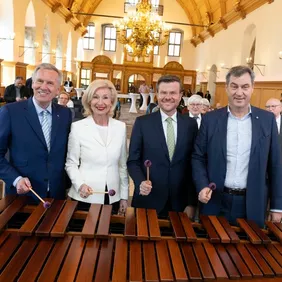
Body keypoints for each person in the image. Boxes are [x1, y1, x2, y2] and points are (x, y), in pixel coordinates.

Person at [192, 65, 282, 227]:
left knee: (250, 251)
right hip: (215, 199)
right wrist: (202, 185)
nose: (239, 92)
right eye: (234, 86)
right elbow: (198, 157)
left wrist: (277, 206)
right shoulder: (210, 120)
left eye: (245, 87)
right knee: (210, 249)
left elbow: (275, 164)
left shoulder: (267, 121)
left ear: (252, 88)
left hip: (253, 203)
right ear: (226, 88)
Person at [127, 75, 198, 218]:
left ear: (180, 96)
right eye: (163, 93)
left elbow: (194, 164)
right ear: (157, 95)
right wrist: (140, 182)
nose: (168, 97)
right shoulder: (142, 123)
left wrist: (191, 203)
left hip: (180, 204)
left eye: (173, 93)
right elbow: (133, 161)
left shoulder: (191, 125)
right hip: (148, 200)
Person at [0, 63, 72, 200]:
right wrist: (15, 179)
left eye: (50, 83)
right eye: (39, 81)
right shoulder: (10, 112)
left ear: (58, 90)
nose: (43, 87)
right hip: (22, 196)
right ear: (32, 84)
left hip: (57, 196)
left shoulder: (65, 114)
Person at [65, 79, 129, 214]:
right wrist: (80, 185)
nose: (100, 103)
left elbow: (122, 165)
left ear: (112, 101)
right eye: (95, 97)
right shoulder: (78, 127)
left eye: (105, 98)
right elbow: (71, 163)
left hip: (112, 196)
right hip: (84, 195)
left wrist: (124, 196)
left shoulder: (120, 127)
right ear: (89, 101)